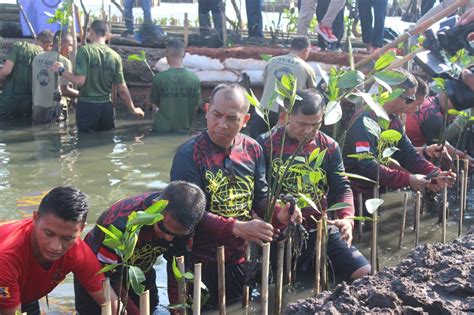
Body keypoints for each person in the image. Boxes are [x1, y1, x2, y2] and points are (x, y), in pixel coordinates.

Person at [170, 83, 301, 308]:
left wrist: (279, 214)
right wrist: (235, 227)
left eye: (232, 118)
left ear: (246, 120)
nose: (222, 124)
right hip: (198, 260)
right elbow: (186, 214)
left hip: (240, 254)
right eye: (216, 115)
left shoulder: (253, 149)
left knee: (237, 306)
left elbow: (260, 197)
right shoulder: (188, 155)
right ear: (207, 110)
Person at [257, 89, 371, 282]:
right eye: (301, 123)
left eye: (315, 124)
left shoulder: (329, 146)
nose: (308, 131)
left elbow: (342, 187)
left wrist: (347, 219)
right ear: (288, 115)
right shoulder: (265, 143)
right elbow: (258, 194)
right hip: (279, 232)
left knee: (365, 274)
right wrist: (278, 212)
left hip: (320, 227)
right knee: (278, 286)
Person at [74, 181, 206, 315]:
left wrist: (177, 308)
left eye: (175, 234)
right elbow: (111, 279)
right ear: (156, 207)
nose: (168, 238)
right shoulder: (120, 225)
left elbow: (178, 268)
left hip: (141, 273)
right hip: (100, 275)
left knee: (150, 307)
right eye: (164, 229)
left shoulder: (184, 224)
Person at [343, 69, 456, 211]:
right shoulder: (364, 120)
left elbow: (408, 154)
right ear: (391, 93)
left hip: (375, 193)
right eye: (408, 100)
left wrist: (435, 174)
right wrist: (408, 179)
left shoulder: (393, 121)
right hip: (353, 197)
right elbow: (367, 166)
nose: (410, 106)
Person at [0, 186, 117, 315]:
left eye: (67, 238)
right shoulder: (7, 257)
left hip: (23, 295)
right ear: (35, 218)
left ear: (81, 229)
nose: (56, 247)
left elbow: (110, 303)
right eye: (49, 233)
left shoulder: (77, 251)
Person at [50, 20, 144, 132]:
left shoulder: (84, 51)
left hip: (87, 107)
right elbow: (122, 90)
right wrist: (133, 109)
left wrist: (61, 70)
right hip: (107, 108)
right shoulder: (116, 57)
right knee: (107, 142)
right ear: (108, 36)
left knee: (85, 142)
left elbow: (80, 81)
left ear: (91, 32)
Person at [247, 36, 317, 138]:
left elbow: (264, 82)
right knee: (279, 149)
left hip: (263, 111)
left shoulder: (272, 61)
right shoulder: (307, 68)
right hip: (286, 116)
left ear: (291, 47)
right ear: (306, 50)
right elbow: (311, 94)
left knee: (256, 145)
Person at [149, 39, 201, 132]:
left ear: (166, 54)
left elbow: (154, 103)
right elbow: (195, 107)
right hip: (184, 130)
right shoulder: (194, 80)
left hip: (161, 130)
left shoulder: (159, 78)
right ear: (184, 54)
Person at [0, 30, 53, 120]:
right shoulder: (47, 58)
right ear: (49, 44)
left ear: (37, 39)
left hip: (9, 102)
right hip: (30, 105)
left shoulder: (19, 46)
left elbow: (6, 72)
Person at [32, 31, 78, 124]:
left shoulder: (37, 58)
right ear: (61, 44)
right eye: (69, 45)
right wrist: (82, 95)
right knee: (59, 136)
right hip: (55, 109)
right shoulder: (64, 62)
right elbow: (64, 90)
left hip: (37, 107)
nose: (71, 49)